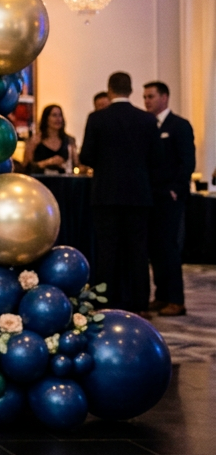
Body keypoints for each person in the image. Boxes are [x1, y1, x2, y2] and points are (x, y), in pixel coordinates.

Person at [79, 72, 160, 313]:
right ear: (131, 90)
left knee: (107, 250)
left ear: (110, 90)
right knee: (138, 251)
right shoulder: (146, 120)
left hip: (106, 194)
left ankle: (106, 301)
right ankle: (140, 303)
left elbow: (86, 157)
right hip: (138, 195)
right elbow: (157, 158)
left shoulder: (97, 118)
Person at [143, 80, 195, 317]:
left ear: (164, 97)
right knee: (156, 248)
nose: (147, 101)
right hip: (152, 196)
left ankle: (176, 299)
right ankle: (162, 295)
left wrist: (176, 188)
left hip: (170, 197)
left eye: (151, 96)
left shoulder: (179, 125)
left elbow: (187, 161)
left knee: (169, 247)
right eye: (145, 97)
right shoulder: (148, 126)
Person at [24, 105, 76, 174]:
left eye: (60, 115)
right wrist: (49, 162)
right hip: (41, 179)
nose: (58, 119)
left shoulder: (69, 140)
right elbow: (26, 165)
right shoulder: (36, 139)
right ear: (46, 119)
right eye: (54, 115)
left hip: (63, 180)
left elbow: (76, 164)